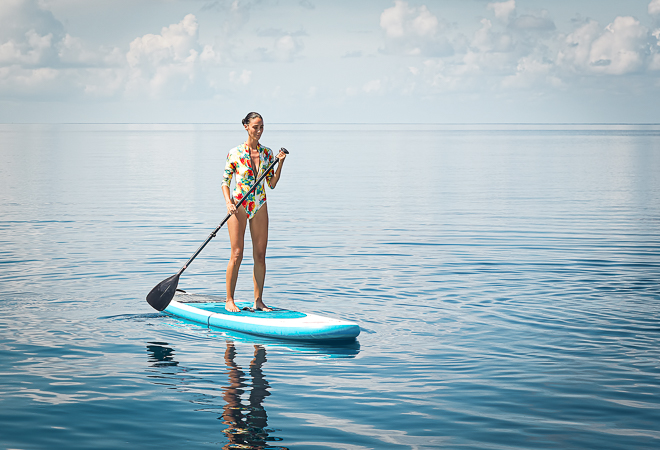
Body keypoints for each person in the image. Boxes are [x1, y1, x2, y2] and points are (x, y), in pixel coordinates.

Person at [221, 112, 287, 312]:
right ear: (246, 126)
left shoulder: (267, 154)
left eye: (262, 127)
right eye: (255, 127)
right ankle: (229, 300)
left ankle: (258, 301)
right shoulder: (235, 153)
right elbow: (225, 182)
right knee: (237, 253)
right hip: (239, 204)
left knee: (260, 255)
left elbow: (272, 184)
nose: (259, 131)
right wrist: (228, 203)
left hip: (259, 204)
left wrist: (281, 163)